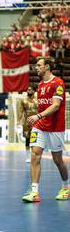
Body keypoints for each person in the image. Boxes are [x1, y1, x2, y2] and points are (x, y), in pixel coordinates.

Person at [23, 57, 69, 202]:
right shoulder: (40, 85)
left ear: (47, 67)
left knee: (57, 160)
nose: (35, 68)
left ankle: (65, 187)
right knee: (35, 155)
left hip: (55, 127)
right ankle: (34, 192)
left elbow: (55, 106)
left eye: (38, 65)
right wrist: (38, 119)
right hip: (40, 126)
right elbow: (42, 106)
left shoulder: (58, 83)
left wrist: (38, 116)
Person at [17, 85, 38, 163]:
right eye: (27, 89)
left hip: (36, 123)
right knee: (27, 140)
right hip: (26, 124)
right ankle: (27, 156)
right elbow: (21, 111)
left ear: (34, 91)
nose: (28, 91)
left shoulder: (38, 100)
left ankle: (34, 155)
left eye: (30, 89)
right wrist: (18, 121)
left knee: (35, 140)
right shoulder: (23, 101)